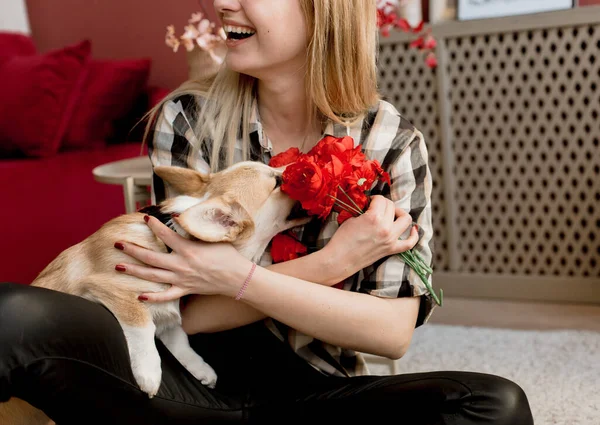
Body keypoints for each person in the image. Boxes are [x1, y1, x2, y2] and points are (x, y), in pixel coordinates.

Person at [0, 1, 534, 424]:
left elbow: (391, 331)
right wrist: (326, 266)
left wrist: (234, 278)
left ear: (321, 8)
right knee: (13, 314)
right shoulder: (187, 119)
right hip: (185, 383)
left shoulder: (391, 143)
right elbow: (178, 311)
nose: (223, 3)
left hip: (315, 390)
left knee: (492, 405)